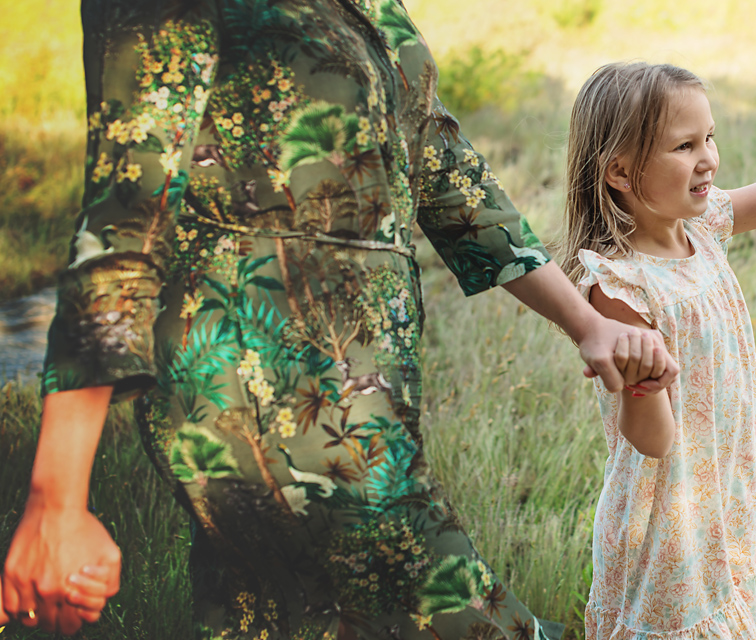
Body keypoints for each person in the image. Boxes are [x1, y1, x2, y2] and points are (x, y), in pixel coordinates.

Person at [1, 2, 680, 639]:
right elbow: (123, 209)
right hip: (256, 378)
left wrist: (584, 322)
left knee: (274, 616)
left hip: (368, 383)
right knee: (453, 607)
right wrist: (55, 498)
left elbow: (445, 170)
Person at [556, 62, 756, 638]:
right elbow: (652, 439)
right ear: (619, 171)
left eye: (709, 137)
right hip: (665, 516)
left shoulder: (701, 225)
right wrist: (645, 380)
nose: (708, 157)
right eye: (684, 146)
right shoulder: (619, 288)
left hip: (718, 489)